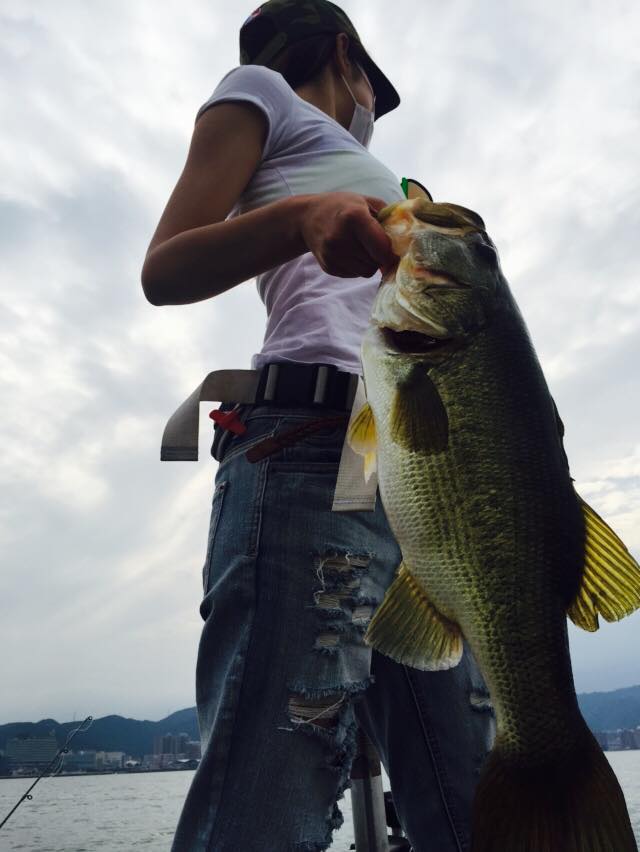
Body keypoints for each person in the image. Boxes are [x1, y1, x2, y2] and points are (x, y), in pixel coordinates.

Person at [141, 2, 496, 849]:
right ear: (345, 57)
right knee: (271, 795)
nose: (372, 112)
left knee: (474, 800)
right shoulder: (261, 90)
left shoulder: (392, 186)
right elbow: (166, 267)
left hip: (419, 476)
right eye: (372, 90)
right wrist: (304, 219)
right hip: (314, 443)